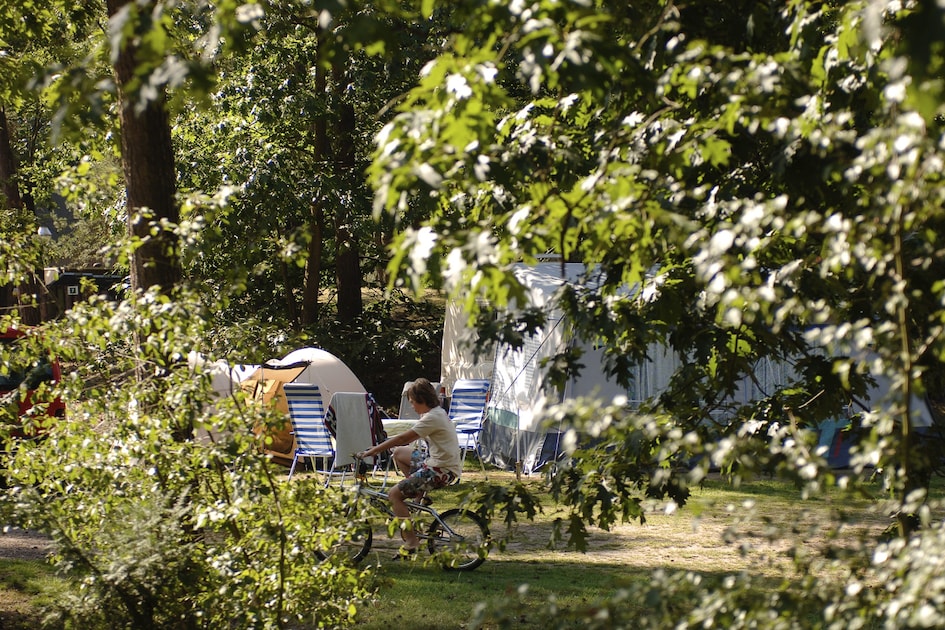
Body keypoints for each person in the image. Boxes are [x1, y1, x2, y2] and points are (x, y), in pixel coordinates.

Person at [356, 378, 461, 556]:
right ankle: (417, 496)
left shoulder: (432, 418)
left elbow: (404, 438)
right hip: (438, 463)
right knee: (398, 453)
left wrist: (373, 451)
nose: (412, 406)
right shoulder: (435, 412)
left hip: (440, 470)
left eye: (412, 402)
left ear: (422, 400)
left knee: (394, 495)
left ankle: (412, 541)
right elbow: (401, 443)